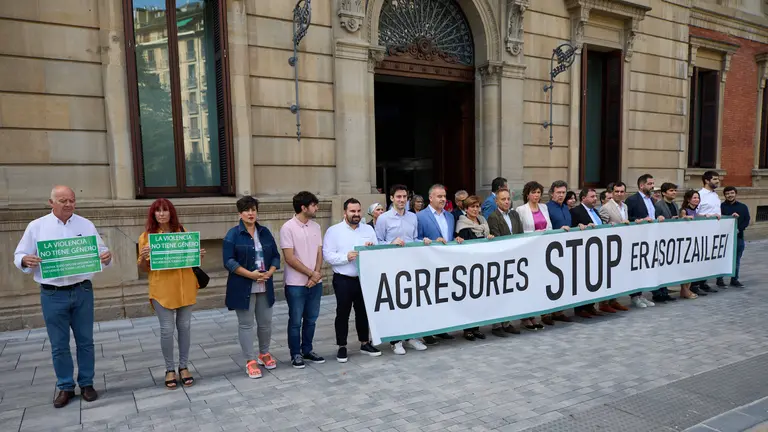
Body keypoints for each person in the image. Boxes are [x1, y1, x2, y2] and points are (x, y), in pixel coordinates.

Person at [14, 186, 112, 408]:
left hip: (82, 290)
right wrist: (25, 260)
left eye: (72, 200)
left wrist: (106, 257)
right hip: (52, 293)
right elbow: (19, 255)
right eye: (63, 200)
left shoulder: (85, 225)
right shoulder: (37, 227)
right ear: (51, 202)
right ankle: (65, 387)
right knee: (59, 345)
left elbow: (102, 252)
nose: (68, 204)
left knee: (86, 341)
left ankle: (87, 383)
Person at [138, 198, 206, 389]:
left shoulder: (182, 232)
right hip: (162, 290)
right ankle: (169, 369)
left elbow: (191, 259)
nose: (161, 214)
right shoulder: (146, 237)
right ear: (153, 215)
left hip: (185, 287)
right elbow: (144, 268)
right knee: (167, 330)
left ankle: (183, 366)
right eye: (157, 211)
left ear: (171, 213)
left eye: (165, 210)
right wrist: (143, 257)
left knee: (184, 327)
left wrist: (197, 255)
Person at [223, 196, 281, 378]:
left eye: (253, 210)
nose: (251, 213)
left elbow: (276, 256)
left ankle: (264, 353)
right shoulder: (233, 234)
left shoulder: (264, 232)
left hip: (265, 283)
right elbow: (229, 262)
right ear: (240, 213)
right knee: (246, 324)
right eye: (247, 210)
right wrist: (251, 275)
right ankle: (250, 360)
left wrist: (270, 271)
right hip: (243, 285)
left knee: (265, 323)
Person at [323, 198, 382, 363]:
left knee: (363, 311)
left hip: (363, 277)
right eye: (352, 211)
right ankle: (342, 346)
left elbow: (376, 250)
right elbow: (328, 255)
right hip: (343, 278)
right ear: (345, 212)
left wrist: (371, 248)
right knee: (343, 312)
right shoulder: (334, 231)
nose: (356, 214)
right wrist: (345, 257)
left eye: (358, 211)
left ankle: (365, 342)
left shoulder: (368, 229)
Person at [375, 184, 430, 354]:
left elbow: (413, 239)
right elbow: (377, 242)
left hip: (410, 264)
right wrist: (390, 244)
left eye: (404, 197)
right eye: (398, 197)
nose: (402, 200)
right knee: (395, 303)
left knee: (411, 302)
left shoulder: (413, 217)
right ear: (391, 198)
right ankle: (396, 340)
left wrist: (424, 241)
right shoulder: (383, 218)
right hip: (391, 266)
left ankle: (411, 336)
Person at [280, 191, 325, 368]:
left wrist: (317, 273)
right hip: (295, 284)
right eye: (313, 205)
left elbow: (319, 252)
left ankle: (307, 349)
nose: (317, 208)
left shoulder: (316, 226)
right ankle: (295, 353)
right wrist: (310, 274)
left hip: (315, 282)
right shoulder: (287, 228)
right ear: (303, 207)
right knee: (296, 321)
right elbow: (289, 258)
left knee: (311, 319)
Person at [416, 184, 459, 345]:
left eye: (444, 196)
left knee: (443, 296)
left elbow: (450, 238)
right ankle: (427, 330)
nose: (442, 199)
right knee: (428, 298)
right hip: (427, 263)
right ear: (431, 198)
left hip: (446, 263)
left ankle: (441, 329)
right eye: (439, 196)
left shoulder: (449, 216)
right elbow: (417, 239)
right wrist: (431, 242)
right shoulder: (420, 216)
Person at [456, 195, 495, 341]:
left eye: (477, 206)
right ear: (466, 209)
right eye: (472, 206)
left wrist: (489, 238)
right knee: (469, 298)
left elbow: (485, 240)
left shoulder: (483, 221)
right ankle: (468, 329)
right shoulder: (462, 224)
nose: (475, 209)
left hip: (482, 264)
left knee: (480, 297)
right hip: (469, 266)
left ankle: (477, 327)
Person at [486, 188, 523, 336]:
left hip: (515, 259)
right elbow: (497, 237)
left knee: (510, 292)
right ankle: (496, 326)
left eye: (508, 199)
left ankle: (507, 322)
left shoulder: (514, 214)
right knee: (499, 293)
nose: (506, 201)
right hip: (501, 260)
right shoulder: (493, 217)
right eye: (503, 199)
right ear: (496, 201)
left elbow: (519, 233)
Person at [515, 181, 551, 329]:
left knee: (539, 284)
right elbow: (519, 231)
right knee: (527, 284)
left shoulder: (544, 207)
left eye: (538, 193)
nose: (536, 195)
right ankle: (525, 317)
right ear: (527, 194)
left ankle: (535, 314)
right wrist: (534, 234)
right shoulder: (520, 210)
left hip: (543, 250)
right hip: (529, 251)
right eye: (533, 192)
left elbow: (549, 227)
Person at [625, 174, 664, 308]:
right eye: (650, 184)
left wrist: (658, 217)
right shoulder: (632, 200)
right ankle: (634, 296)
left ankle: (641, 294)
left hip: (651, 237)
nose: (652, 186)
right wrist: (639, 220)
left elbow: (651, 215)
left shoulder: (652, 200)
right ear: (642, 185)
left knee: (645, 267)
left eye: (653, 183)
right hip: (637, 238)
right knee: (636, 267)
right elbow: (628, 217)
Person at [597, 182, 632, 313]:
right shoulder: (606, 207)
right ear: (612, 193)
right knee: (608, 274)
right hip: (609, 244)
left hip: (622, 243)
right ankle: (604, 302)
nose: (619, 194)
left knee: (618, 273)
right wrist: (612, 225)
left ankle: (613, 300)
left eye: (621, 191)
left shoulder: (625, 206)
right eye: (616, 191)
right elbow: (602, 225)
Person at [569, 188, 603, 319]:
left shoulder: (595, 211)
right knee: (582, 279)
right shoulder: (575, 211)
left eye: (596, 196)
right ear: (583, 198)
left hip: (596, 250)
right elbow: (573, 226)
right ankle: (580, 308)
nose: (595, 198)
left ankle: (591, 305)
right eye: (592, 196)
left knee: (594, 278)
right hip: (582, 251)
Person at [545, 180, 573, 323]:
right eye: (558, 193)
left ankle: (558, 311)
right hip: (551, 249)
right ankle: (546, 313)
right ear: (552, 193)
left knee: (563, 280)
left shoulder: (566, 208)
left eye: (563, 192)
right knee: (550, 281)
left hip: (566, 248)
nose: (561, 195)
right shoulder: (547, 208)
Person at [694, 171, 722, 294]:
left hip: (714, 232)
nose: (717, 181)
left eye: (718, 179)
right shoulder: (700, 195)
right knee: (698, 259)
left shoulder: (715, 195)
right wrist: (708, 216)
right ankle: (694, 284)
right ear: (706, 180)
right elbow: (695, 212)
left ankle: (703, 282)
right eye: (715, 179)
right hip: (701, 232)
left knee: (708, 259)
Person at [652, 182, 680, 303]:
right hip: (661, 239)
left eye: (674, 190)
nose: (674, 193)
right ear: (664, 193)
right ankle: (658, 292)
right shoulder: (659, 205)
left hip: (671, 239)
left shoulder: (675, 205)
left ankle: (665, 290)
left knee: (667, 266)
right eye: (671, 191)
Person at [718, 186, 749, 288]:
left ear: (735, 194)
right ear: (724, 195)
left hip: (738, 237)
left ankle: (734, 279)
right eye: (727, 194)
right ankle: (720, 280)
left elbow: (746, 220)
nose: (730, 195)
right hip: (724, 238)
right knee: (722, 258)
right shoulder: (720, 207)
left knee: (736, 259)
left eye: (731, 193)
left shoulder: (743, 207)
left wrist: (739, 229)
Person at [678, 190, 701, 299]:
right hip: (685, 242)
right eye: (694, 198)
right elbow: (681, 220)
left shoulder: (696, 211)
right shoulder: (684, 210)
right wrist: (685, 218)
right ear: (688, 199)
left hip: (694, 241)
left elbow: (703, 216)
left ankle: (688, 288)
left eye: (698, 198)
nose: (696, 200)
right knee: (686, 266)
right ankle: (684, 289)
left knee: (692, 266)